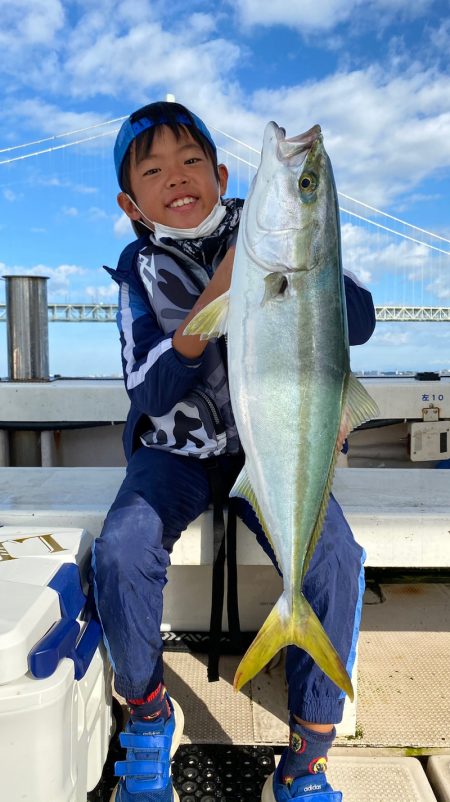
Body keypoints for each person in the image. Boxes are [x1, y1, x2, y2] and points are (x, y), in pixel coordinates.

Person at [91, 100, 376, 802]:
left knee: (335, 558)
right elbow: (149, 389)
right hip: (174, 454)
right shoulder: (138, 267)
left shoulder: (265, 229)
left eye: (192, 161)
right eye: (154, 170)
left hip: (269, 446)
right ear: (132, 201)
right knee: (122, 548)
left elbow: (360, 320)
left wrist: (302, 263)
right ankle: (149, 713)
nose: (177, 177)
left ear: (222, 174)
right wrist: (216, 299)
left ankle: (308, 753)